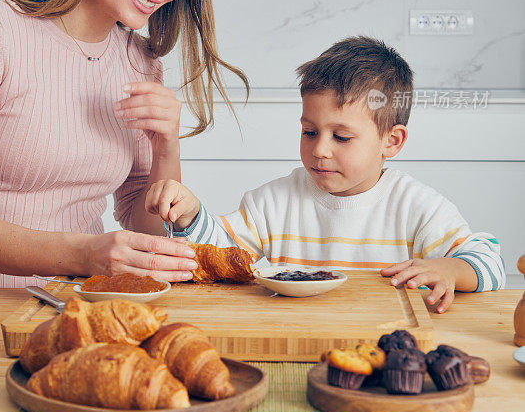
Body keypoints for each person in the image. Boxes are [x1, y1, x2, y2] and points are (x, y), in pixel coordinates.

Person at [0, 0, 248, 288]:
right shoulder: (1, 33)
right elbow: (98, 253)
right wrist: (85, 253)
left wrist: (167, 147)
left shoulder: (140, 61)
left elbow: (145, 229)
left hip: (81, 308)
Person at [145, 36, 505, 313]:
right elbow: (221, 254)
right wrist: (191, 214)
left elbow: (490, 263)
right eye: (309, 131)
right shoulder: (272, 202)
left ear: (391, 141)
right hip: (288, 338)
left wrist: (448, 270)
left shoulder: (417, 207)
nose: (320, 149)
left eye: (342, 137)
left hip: (382, 342)